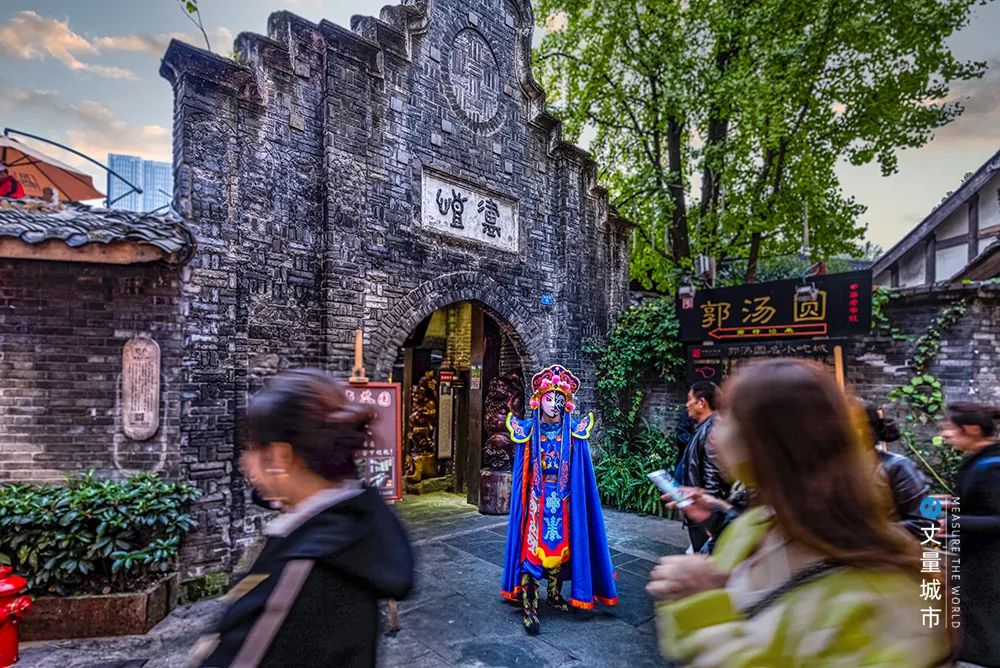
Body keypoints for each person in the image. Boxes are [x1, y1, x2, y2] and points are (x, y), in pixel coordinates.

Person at [648, 359, 952, 666]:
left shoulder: (885, 603)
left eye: (732, 417)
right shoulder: (756, 523)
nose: (719, 429)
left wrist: (704, 606)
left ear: (773, 442)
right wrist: (718, 514)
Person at [189, 369, 414, 667]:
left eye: (251, 448)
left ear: (281, 457)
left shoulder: (300, 571)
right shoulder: (355, 523)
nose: (244, 464)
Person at [501, 364, 618, 635]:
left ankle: (554, 594)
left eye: (559, 399)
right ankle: (530, 605)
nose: (554, 404)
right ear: (538, 400)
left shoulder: (574, 431)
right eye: (549, 398)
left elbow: (581, 472)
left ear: (567, 403)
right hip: (537, 500)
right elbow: (523, 471)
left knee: (562, 547)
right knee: (532, 550)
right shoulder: (529, 430)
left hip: (563, 499)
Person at [941, 402, 1000, 667]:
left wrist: (952, 521)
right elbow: (982, 505)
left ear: (972, 429)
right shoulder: (978, 461)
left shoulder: (991, 466)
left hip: (989, 563)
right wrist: (953, 504)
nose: (945, 434)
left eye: (950, 427)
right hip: (976, 559)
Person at [861, 400, 936, 540]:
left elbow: (926, 522)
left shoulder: (897, 466)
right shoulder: (829, 469)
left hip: (882, 552)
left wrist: (865, 533)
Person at [675, 381, 728, 552]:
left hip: (705, 517)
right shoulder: (706, 427)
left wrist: (711, 520)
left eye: (689, 399)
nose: (687, 405)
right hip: (701, 513)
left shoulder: (713, 431)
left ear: (701, 402)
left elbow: (715, 477)